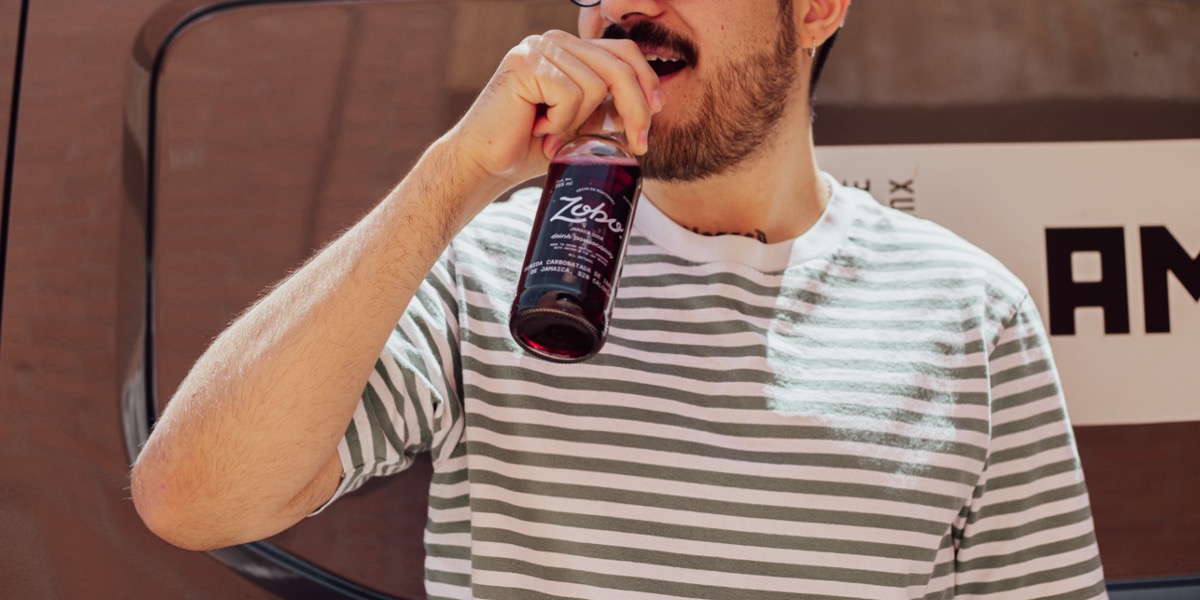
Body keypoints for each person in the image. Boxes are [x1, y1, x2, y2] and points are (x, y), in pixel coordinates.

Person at [131, 0, 1108, 597]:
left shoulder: (974, 314)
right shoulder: (490, 266)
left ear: (815, 6)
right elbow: (189, 498)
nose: (621, 10)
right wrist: (456, 176)